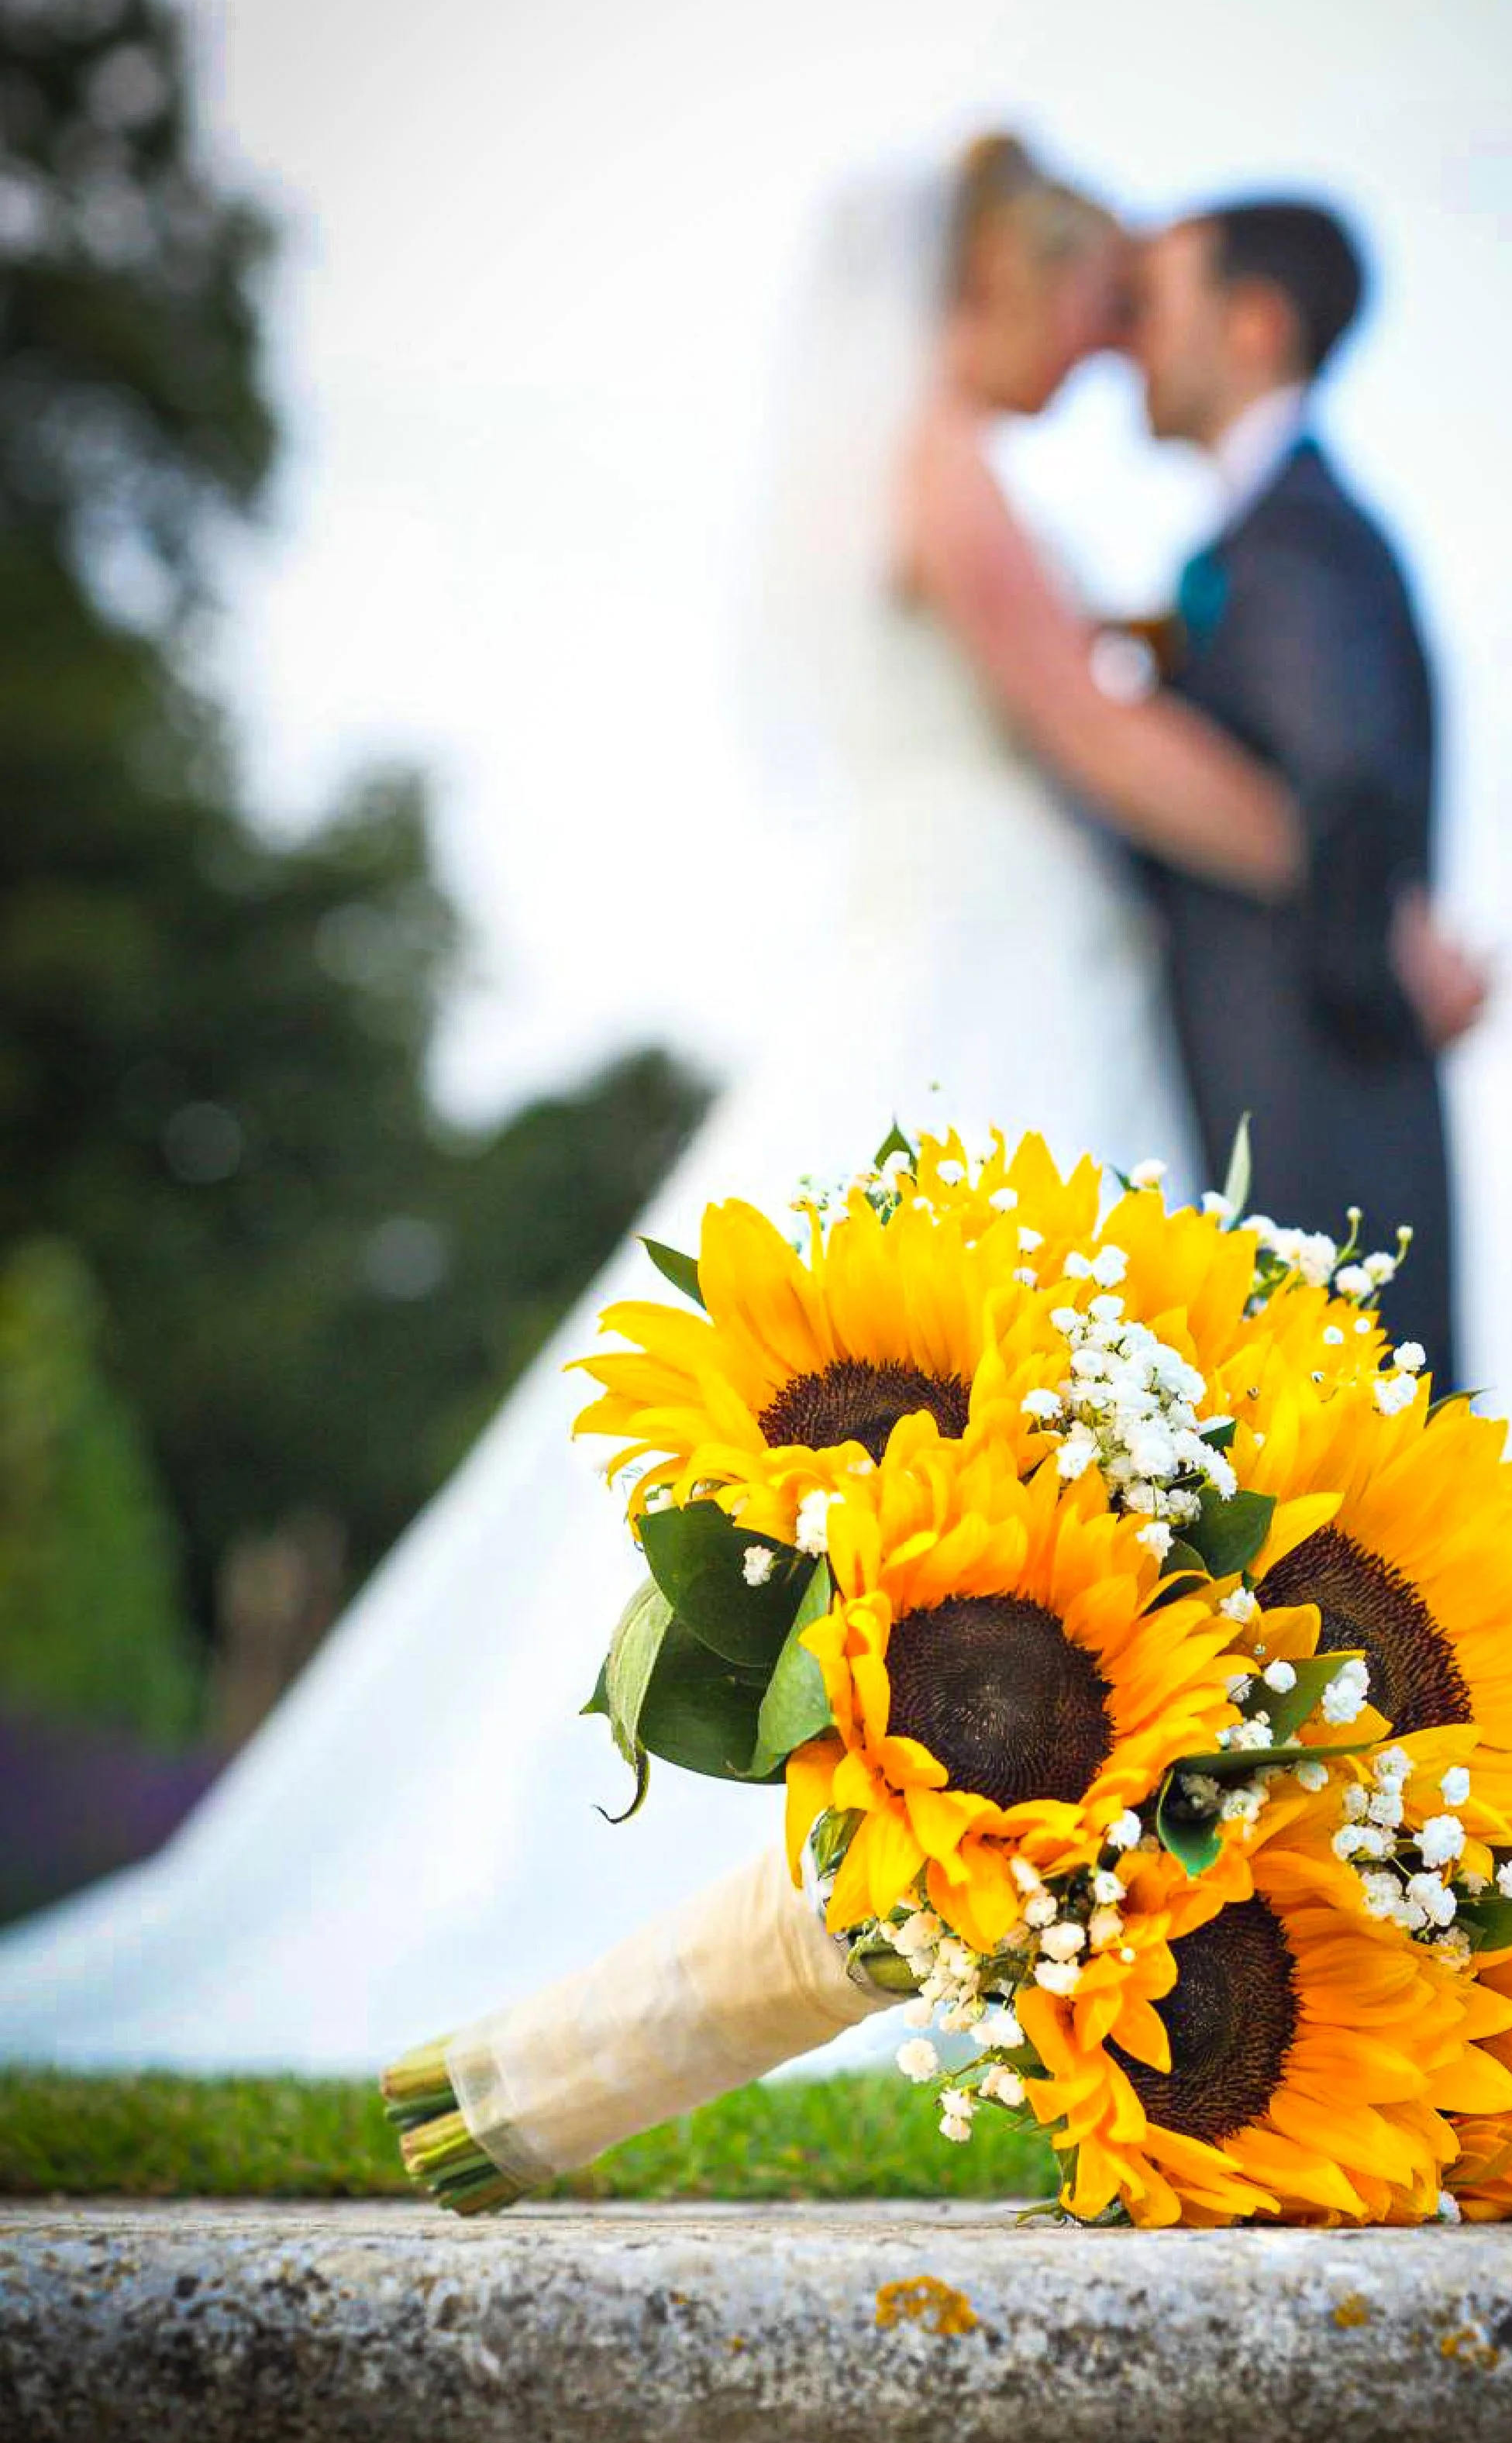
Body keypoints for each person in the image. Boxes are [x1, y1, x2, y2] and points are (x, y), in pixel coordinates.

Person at [0, 138, 1318, 2070]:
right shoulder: (945, 466)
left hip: (969, 946)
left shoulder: (915, 470)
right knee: (951, 1402)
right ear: (997, 286)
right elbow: (1094, 737)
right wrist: (1334, 871)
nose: (1095, 347)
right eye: (1081, 301)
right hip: (985, 960)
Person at [1128, 198, 1487, 1383]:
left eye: (1158, 301)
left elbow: (1348, 785)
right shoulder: (1275, 531)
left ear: (1253, 326)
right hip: (1287, 1109)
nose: (1133, 335)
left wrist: (1383, 963)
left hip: (1311, 1122)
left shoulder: (1297, 537)